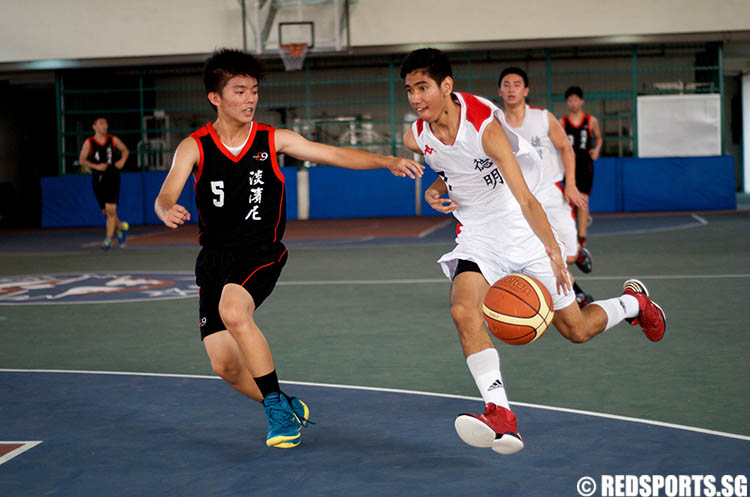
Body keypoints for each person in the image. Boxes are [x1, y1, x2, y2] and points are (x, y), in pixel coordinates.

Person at [154, 48, 423, 449]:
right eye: (240, 91)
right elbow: (166, 193)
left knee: (234, 311)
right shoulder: (193, 147)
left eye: (254, 90)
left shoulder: (272, 139)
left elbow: (332, 153)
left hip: (260, 250)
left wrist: (385, 160)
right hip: (213, 259)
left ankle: (277, 415)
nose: (250, 99)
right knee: (225, 366)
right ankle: (283, 401)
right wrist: (165, 208)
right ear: (215, 97)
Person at [401, 48, 665, 455]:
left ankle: (634, 304)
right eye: (409, 90)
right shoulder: (415, 135)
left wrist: (557, 255)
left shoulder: (485, 127)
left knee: (576, 330)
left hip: (523, 231)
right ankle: (501, 414)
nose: (416, 98)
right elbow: (449, 164)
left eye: (423, 88)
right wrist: (440, 186)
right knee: (461, 310)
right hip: (479, 237)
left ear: (446, 87)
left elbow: (526, 200)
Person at [497, 67, 594, 306]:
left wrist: (570, 184)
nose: (511, 89)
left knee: (568, 253)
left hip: (549, 190)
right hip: (518, 197)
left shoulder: (542, 117)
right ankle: (574, 291)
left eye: (517, 84)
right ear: (500, 91)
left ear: (526, 90)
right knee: (539, 250)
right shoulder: (495, 123)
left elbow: (565, 148)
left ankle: (578, 254)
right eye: (506, 84)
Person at [560, 86, 602, 255]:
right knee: (570, 200)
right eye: (570, 100)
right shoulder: (562, 122)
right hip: (569, 164)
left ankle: (582, 238)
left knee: (583, 199)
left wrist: (597, 149)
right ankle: (571, 236)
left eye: (576, 99)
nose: (573, 103)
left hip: (585, 164)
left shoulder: (591, 120)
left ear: (582, 101)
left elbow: (599, 137)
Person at [79, 116, 130, 249]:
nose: (104, 126)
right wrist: (96, 167)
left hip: (112, 176)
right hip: (97, 179)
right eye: (101, 123)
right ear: (94, 127)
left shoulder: (112, 139)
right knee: (107, 212)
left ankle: (108, 240)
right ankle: (121, 227)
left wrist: (122, 161)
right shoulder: (89, 142)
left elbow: (125, 150)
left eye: (106, 123)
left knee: (111, 210)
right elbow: (82, 160)